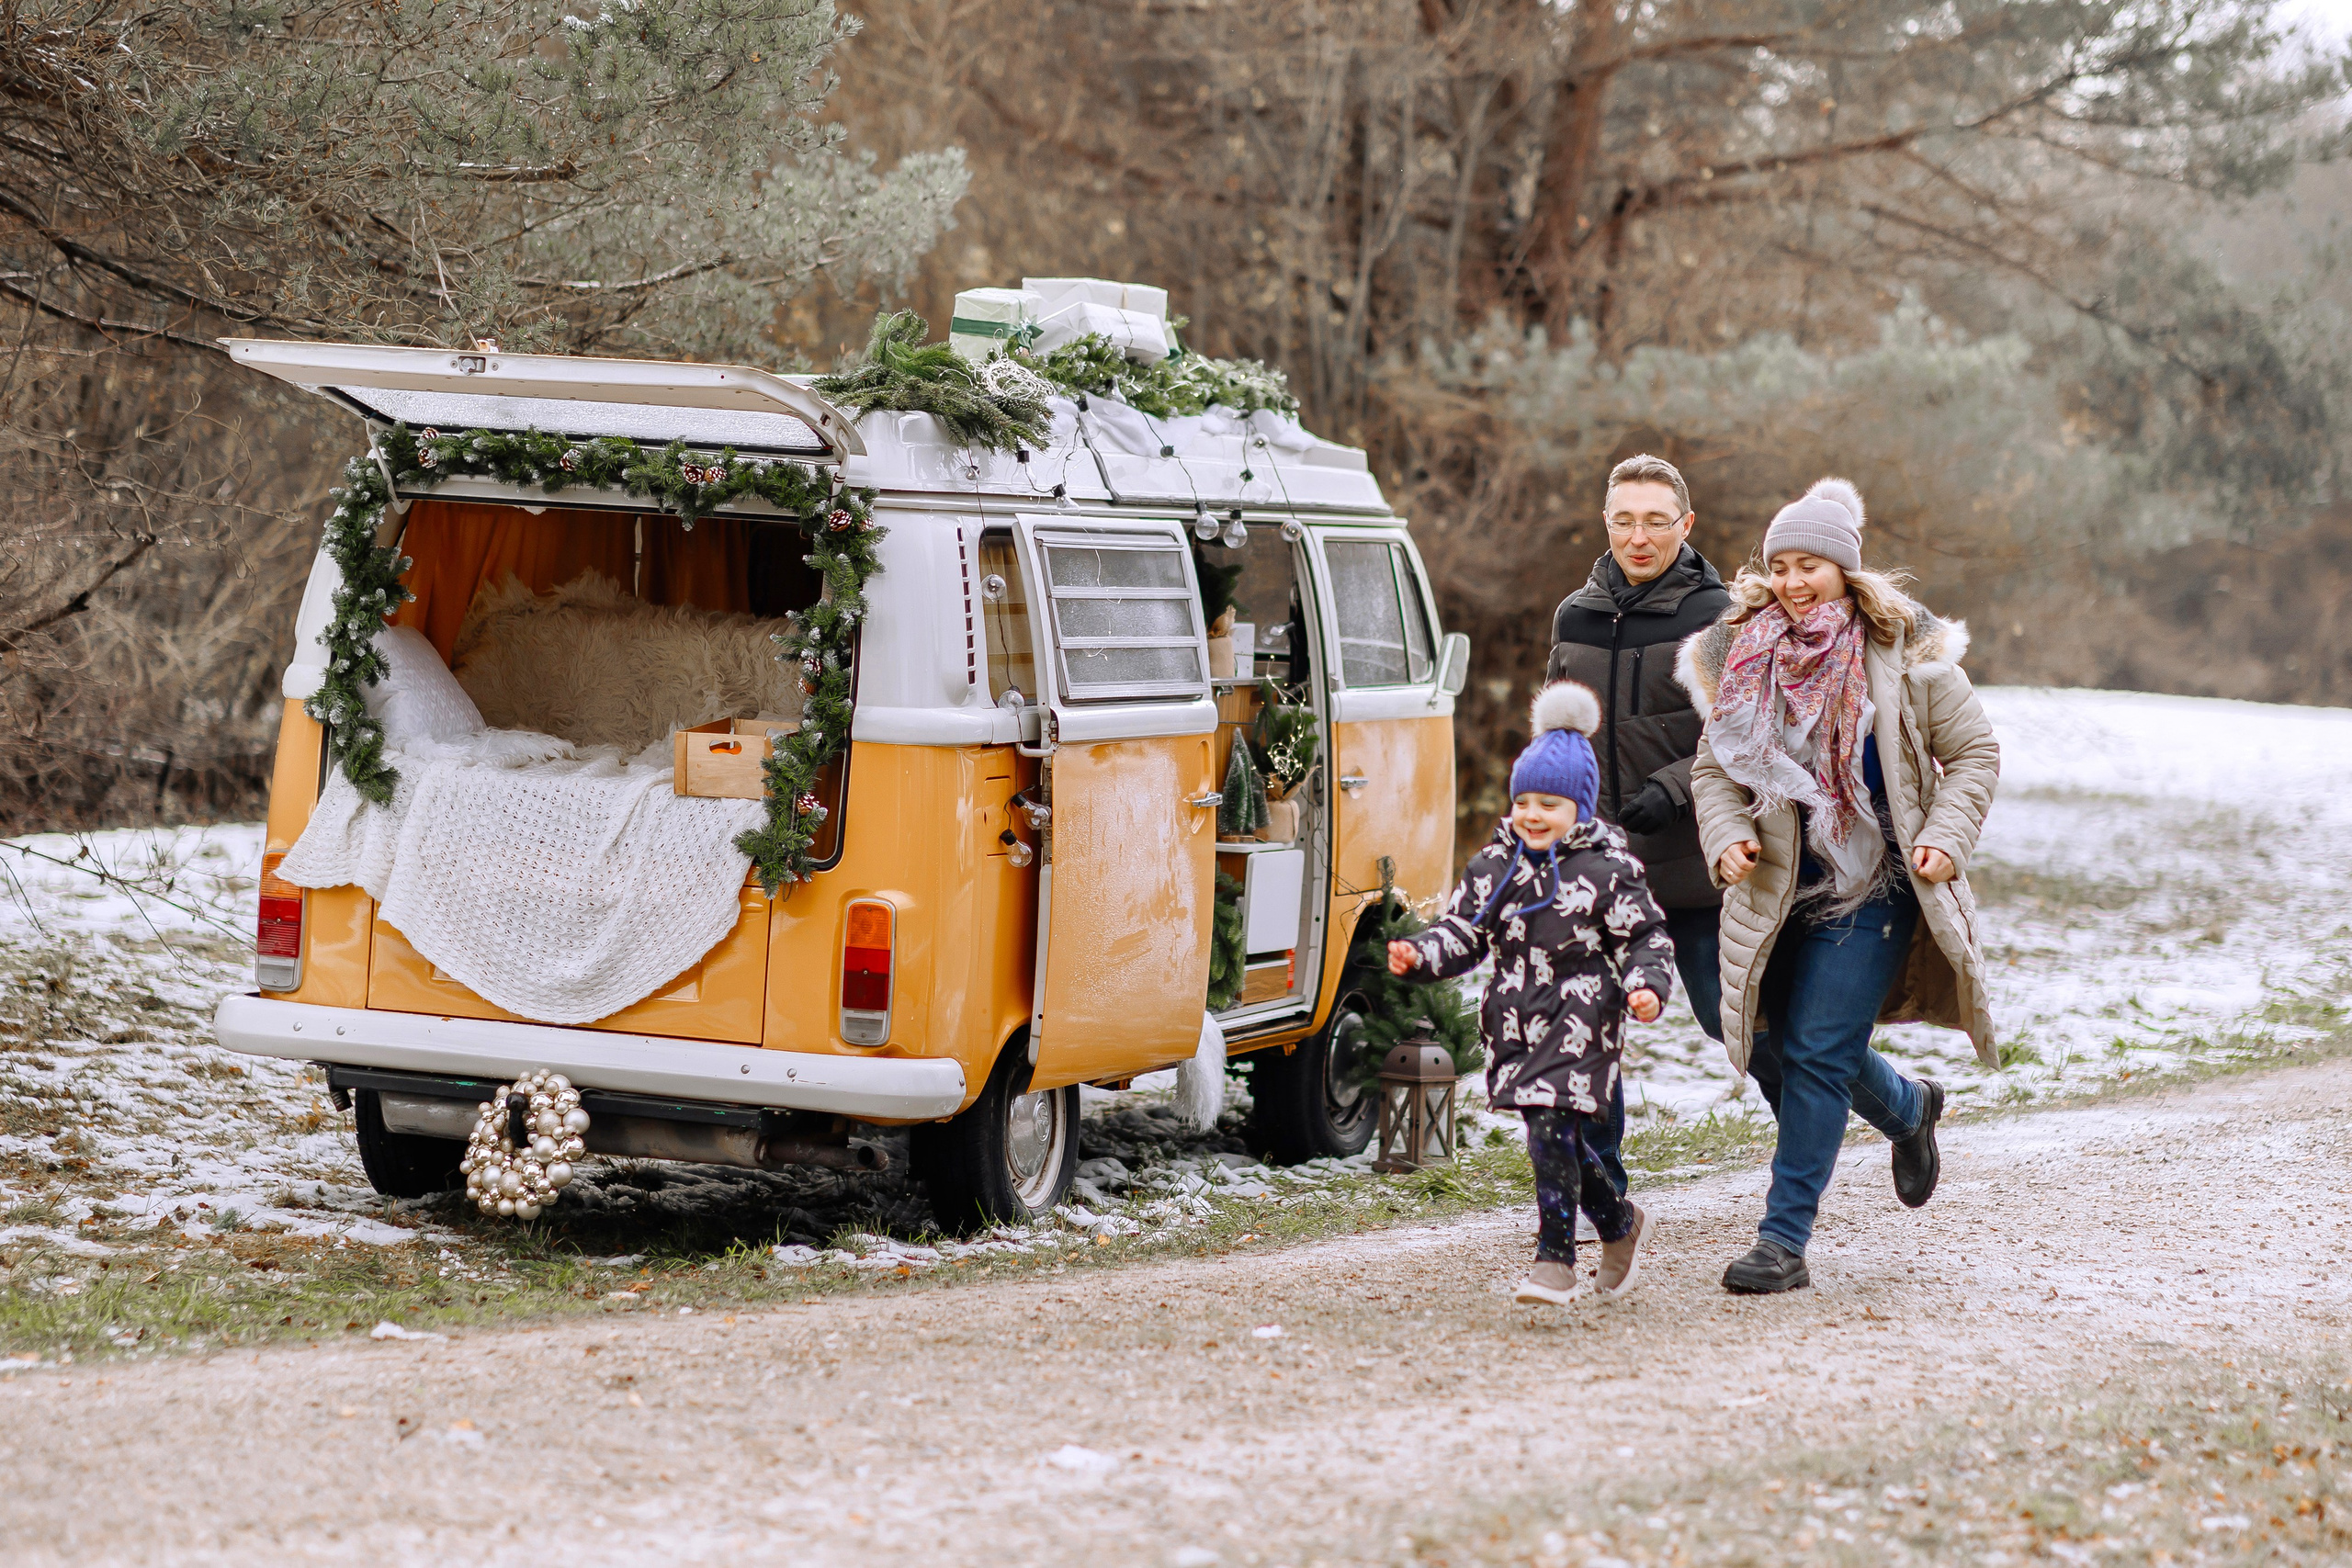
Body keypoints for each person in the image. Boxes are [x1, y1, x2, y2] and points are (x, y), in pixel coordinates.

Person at [1680, 476, 2001, 1295]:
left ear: (1845, 573)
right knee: (1781, 1042)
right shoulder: (1744, 654)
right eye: (1780, 565)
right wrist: (1727, 838)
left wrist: (1942, 838)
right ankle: (1908, 1109)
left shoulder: (1907, 659)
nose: (1792, 583)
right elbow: (1714, 768)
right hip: (1780, 888)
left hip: (1875, 885)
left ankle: (1782, 1242)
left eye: (1810, 566)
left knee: (1819, 1055)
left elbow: (1973, 757)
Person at [1388, 682, 1679, 1306]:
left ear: (1580, 806)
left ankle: (1555, 1257)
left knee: (1551, 1124)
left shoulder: (1607, 867)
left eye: (1550, 802)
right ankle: (1621, 1223)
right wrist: (1419, 955)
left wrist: (1646, 985)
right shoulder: (1495, 867)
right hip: (1515, 1020)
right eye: (1524, 800)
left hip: (1585, 1016)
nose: (1533, 814)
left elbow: (1646, 935)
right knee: (1555, 1135)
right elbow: (1463, 932)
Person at [1544, 453, 1735, 1201]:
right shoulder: (1576, 616)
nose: (1640, 536)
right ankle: (1601, 1191)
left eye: (1657, 520)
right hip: (1601, 871)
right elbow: (1557, 729)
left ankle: (1897, 1109)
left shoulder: (1718, 617)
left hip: (1694, 869)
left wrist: (1674, 785)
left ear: (1686, 525)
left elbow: (1743, 734)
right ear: (1606, 523)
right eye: (1625, 520)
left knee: (1739, 1027)